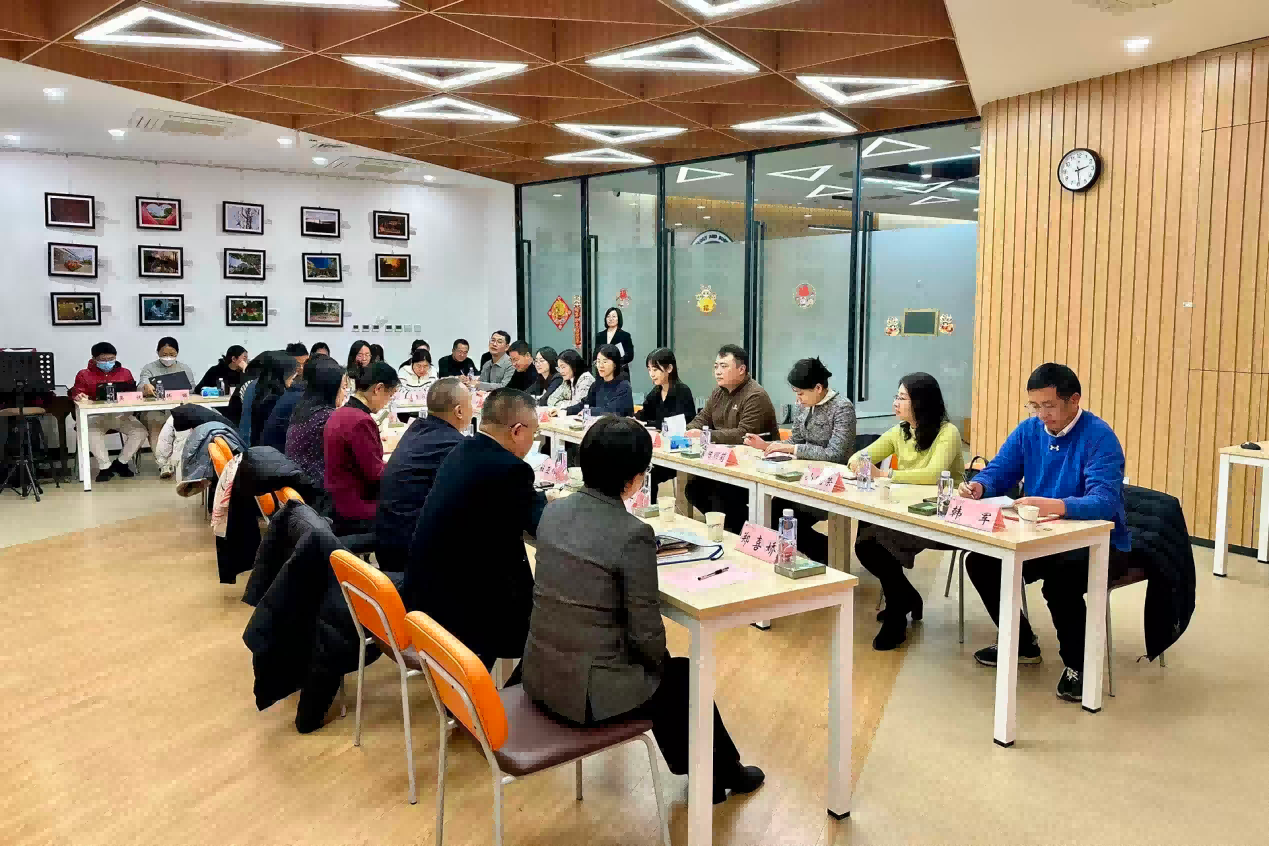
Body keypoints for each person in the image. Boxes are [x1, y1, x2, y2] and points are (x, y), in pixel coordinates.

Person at [523, 416, 765, 804]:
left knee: (673, 676)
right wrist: (655, 664)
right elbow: (646, 634)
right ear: (635, 479)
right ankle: (720, 774)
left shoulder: (553, 511)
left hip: (541, 674)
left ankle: (714, 775)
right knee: (680, 677)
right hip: (585, 696)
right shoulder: (632, 534)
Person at [959, 363, 1132, 703]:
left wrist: (1054, 505)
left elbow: (1104, 502)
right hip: (1040, 536)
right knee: (982, 562)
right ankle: (1022, 644)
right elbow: (1000, 470)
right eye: (1034, 406)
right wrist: (980, 485)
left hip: (1096, 542)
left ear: (1074, 400)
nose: (1041, 415)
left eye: (1049, 406)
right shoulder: (1030, 430)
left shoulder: (1099, 437)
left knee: (1060, 582)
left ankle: (1081, 666)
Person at [405, 388, 545, 671]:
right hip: (466, 610)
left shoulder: (462, 450)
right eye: (535, 433)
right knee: (558, 619)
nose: (534, 440)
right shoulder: (510, 469)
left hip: (428, 596)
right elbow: (542, 525)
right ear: (517, 431)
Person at [850, 372, 965, 650]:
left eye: (902, 398)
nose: (895, 403)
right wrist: (863, 466)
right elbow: (856, 458)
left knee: (874, 543)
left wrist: (885, 474)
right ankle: (905, 597)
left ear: (921, 402)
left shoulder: (947, 432)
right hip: (906, 511)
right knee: (866, 544)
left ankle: (897, 613)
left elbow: (934, 474)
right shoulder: (900, 431)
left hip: (942, 517)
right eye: (897, 396)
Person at [744, 358, 856, 564]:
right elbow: (794, 440)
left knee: (780, 517)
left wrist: (791, 449)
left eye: (801, 393)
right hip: (801, 478)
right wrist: (766, 445)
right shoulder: (804, 405)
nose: (797, 399)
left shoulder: (842, 408)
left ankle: (828, 556)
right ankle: (824, 552)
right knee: (771, 513)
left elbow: (835, 454)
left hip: (830, 484)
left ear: (818, 388)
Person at [374, 378, 472, 572]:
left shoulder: (417, 429)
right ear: (459, 411)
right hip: (411, 552)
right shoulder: (453, 444)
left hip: (387, 538)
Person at [683, 344, 778, 533]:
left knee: (719, 494)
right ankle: (737, 529)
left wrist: (706, 435)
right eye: (716, 366)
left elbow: (744, 434)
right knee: (694, 489)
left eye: (724, 366)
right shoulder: (718, 392)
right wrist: (688, 431)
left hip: (752, 466)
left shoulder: (755, 395)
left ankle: (738, 532)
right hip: (724, 463)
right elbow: (702, 419)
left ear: (741, 369)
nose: (718, 371)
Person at [324, 361, 399, 535]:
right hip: (356, 507)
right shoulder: (360, 421)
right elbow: (376, 475)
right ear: (378, 389)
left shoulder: (340, 413)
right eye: (390, 395)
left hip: (338, 501)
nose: (388, 402)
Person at [71, 341, 147, 482]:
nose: (108, 362)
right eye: (103, 359)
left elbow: (132, 393)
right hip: (95, 416)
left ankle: (121, 463)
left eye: (111, 359)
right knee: (90, 431)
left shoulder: (125, 373)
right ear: (94, 359)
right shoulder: (84, 374)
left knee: (140, 431)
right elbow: (77, 392)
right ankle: (104, 467)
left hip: (120, 415)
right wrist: (79, 395)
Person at [634, 347, 696, 504]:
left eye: (655, 369)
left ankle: (649, 509)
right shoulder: (656, 392)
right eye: (649, 370)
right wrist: (633, 419)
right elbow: (644, 413)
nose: (651, 374)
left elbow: (678, 423)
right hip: (658, 450)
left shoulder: (682, 392)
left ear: (669, 368)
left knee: (647, 473)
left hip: (678, 451)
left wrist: (648, 423)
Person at [137, 336, 196, 478]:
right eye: (164, 354)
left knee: (184, 427)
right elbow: (140, 387)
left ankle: (179, 462)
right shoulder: (149, 368)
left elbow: (192, 389)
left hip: (177, 408)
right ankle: (163, 464)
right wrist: (145, 388)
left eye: (172, 354)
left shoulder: (184, 368)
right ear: (157, 352)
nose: (168, 357)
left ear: (177, 353)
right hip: (154, 409)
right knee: (155, 423)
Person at [284, 356, 345, 487]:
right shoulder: (326, 417)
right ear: (331, 389)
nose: (343, 393)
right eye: (342, 387)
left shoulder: (304, 408)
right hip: (316, 491)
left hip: (297, 484)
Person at [555, 344, 633, 417]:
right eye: (598, 361)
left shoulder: (623, 386)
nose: (600, 366)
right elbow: (584, 404)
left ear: (615, 364)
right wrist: (564, 411)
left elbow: (612, 411)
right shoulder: (597, 385)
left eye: (605, 362)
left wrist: (589, 412)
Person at [241, 351, 297, 448]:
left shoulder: (254, 385)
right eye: (292, 375)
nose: (292, 380)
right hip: (269, 449)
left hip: (250, 446)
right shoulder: (278, 396)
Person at [259, 354, 311, 452]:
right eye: (297, 365)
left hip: (265, 451)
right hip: (276, 454)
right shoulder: (279, 395)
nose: (301, 368)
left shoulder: (267, 390)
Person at [595, 306, 634, 374]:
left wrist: (614, 364)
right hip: (603, 370)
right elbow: (596, 353)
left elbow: (630, 355)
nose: (611, 319)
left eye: (614, 316)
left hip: (620, 370)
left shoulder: (625, 335)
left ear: (618, 318)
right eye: (608, 316)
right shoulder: (600, 335)